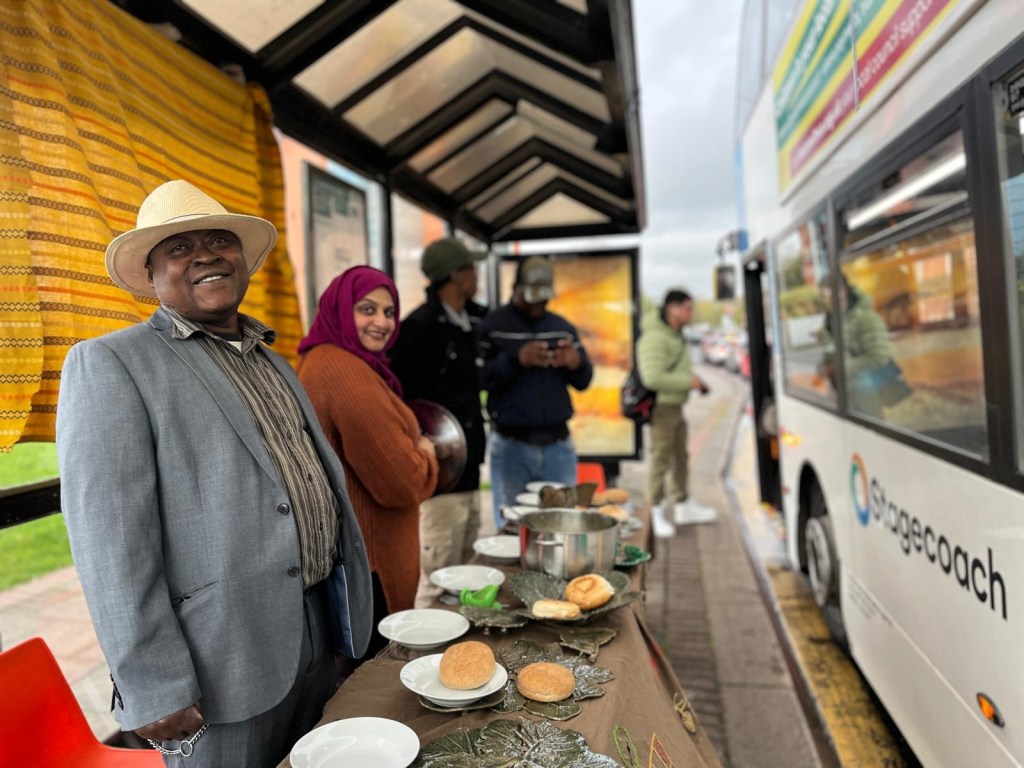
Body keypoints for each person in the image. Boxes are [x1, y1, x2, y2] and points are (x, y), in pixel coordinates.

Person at [56, 179, 373, 768]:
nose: (205, 255)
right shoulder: (112, 362)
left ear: (241, 260)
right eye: (179, 248)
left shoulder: (273, 361)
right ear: (152, 276)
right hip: (220, 657)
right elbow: (110, 542)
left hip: (318, 628)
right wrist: (154, 682)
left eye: (219, 241)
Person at [296, 265, 438, 652]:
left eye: (389, 312)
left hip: (355, 560)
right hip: (373, 568)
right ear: (340, 309)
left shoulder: (327, 358)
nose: (382, 322)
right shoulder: (344, 372)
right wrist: (426, 455)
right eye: (367, 309)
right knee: (377, 676)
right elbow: (401, 483)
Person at [389, 237, 489, 607]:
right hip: (439, 478)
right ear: (454, 275)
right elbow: (403, 403)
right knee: (438, 578)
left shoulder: (469, 323)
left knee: (466, 576)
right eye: (470, 268)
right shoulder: (418, 329)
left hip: (469, 469)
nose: (476, 275)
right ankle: (429, 641)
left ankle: (464, 643)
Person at [478, 256, 593, 529]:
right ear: (515, 288)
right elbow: (479, 379)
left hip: (558, 445)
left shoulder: (562, 327)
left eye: (542, 300)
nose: (537, 307)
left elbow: (584, 380)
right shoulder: (493, 326)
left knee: (563, 526)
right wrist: (516, 359)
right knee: (512, 528)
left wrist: (575, 363)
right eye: (531, 300)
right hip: (511, 446)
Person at [636, 289, 716, 538]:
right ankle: (655, 510)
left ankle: (683, 504)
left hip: (675, 406)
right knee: (660, 459)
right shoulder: (654, 337)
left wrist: (693, 382)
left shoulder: (675, 335)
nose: (690, 314)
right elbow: (652, 378)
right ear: (672, 309)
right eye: (687, 308)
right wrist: (689, 382)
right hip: (662, 408)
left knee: (681, 457)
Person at [818, 274, 895, 418]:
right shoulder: (830, 320)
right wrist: (824, 367)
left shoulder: (866, 319)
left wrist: (842, 367)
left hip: (866, 396)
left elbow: (879, 357)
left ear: (841, 291)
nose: (822, 300)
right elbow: (830, 352)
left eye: (824, 295)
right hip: (842, 396)